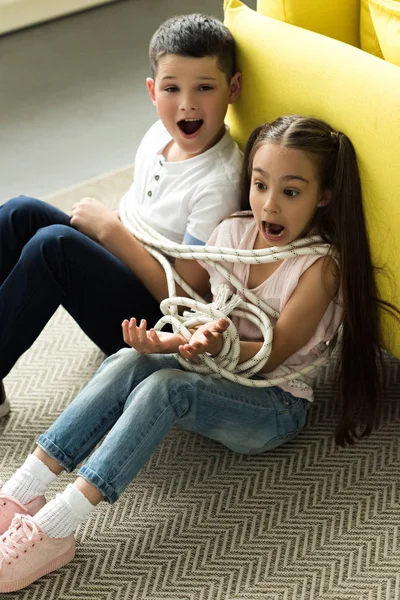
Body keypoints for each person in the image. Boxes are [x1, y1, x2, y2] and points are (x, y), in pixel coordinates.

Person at [0, 114, 394, 592]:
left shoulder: (321, 266)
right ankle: (21, 493)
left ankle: (56, 529)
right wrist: (172, 342)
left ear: (324, 196)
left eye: (290, 192)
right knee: (128, 361)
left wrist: (212, 345)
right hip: (215, 368)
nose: (269, 204)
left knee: (167, 388)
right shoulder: (233, 234)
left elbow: (273, 356)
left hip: (273, 401)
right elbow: (206, 315)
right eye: (260, 185)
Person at [0, 13, 242, 416]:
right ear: (152, 91)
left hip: (153, 326)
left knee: (53, 247)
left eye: (204, 87)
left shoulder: (219, 182)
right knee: (20, 212)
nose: (187, 104)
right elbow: (144, 217)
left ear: (233, 88)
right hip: (125, 282)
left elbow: (184, 301)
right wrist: (110, 230)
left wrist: (110, 232)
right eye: (171, 88)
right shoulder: (158, 135)